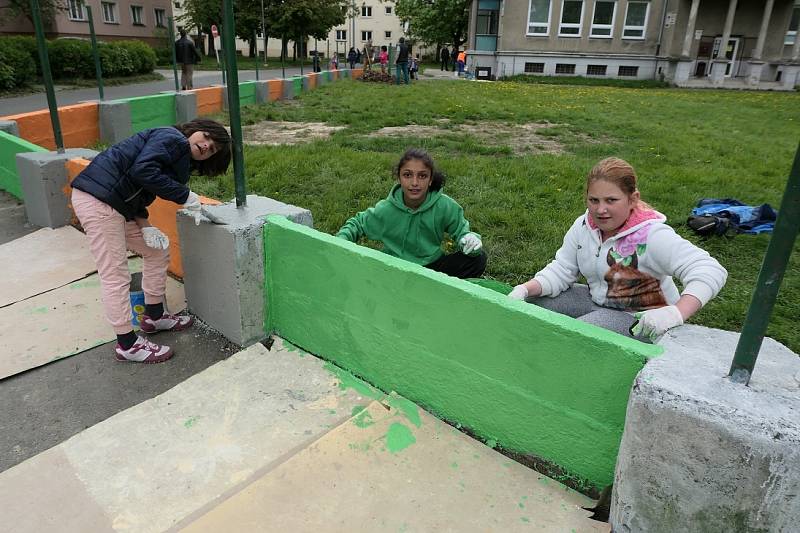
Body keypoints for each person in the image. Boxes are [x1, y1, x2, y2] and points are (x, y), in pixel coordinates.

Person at [507, 157, 727, 342]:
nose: (600, 210)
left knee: (576, 337)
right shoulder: (584, 226)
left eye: (611, 200)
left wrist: (675, 313)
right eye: (593, 200)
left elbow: (710, 270)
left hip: (642, 318)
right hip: (596, 300)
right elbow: (562, 270)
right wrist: (525, 289)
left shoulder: (652, 235)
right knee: (529, 305)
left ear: (633, 199)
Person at [70, 119, 232, 363]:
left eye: (213, 148)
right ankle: (127, 344)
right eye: (206, 136)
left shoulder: (174, 154)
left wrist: (145, 225)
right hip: (99, 202)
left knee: (158, 250)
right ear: (193, 130)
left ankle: (154, 316)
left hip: (112, 203)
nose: (206, 145)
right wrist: (186, 196)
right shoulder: (173, 138)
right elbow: (142, 171)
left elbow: (136, 190)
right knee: (115, 274)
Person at [337, 148, 486, 279]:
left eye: (422, 176)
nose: (414, 183)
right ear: (399, 178)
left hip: (432, 268)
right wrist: (339, 242)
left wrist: (470, 241)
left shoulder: (444, 205)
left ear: (430, 179)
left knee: (478, 259)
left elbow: (462, 232)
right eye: (407, 175)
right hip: (394, 267)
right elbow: (357, 223)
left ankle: (430, 288)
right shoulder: (387, 209)